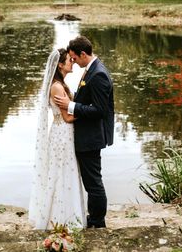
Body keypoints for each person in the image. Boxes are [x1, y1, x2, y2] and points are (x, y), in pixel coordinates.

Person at [53, 36, 114, 228]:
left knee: (93, 183)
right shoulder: (92, 71)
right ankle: (93, 217)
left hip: (91, 138)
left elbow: (100, 111)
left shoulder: (98, 75)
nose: (74, 62)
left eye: (74, 58)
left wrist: (72, 106)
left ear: (83, 54)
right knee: (91, 182)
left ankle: (97, 221)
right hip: (87, 136)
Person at [28, 48, 86, 230]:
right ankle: (60, 219)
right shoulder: (57, 87)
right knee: (61, 173)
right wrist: (88, 111)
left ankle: (66, 217)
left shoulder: (60, 84)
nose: (73, 62)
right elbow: (68, 117)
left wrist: (76, 106)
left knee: (65, 172)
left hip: (63, 132)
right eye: (70, 60)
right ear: (60, 64)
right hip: (62, 134)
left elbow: (69, 111)